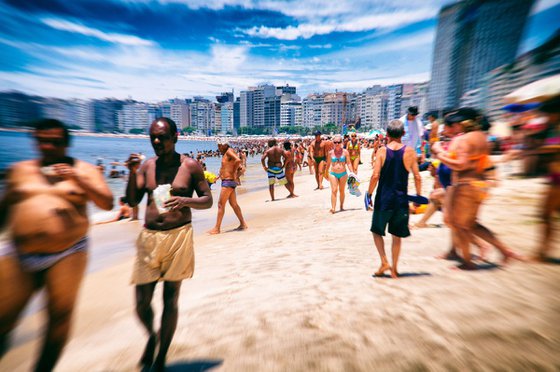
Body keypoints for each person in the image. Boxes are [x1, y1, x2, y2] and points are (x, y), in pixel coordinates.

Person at [0, 119, 113, 370]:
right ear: (36, 142)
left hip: (67, 251)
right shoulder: (20, 171)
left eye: (56, 142)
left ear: (66, 144)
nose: (49, 147)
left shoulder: (84, 171)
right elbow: (4, 211)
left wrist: (77, 179)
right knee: (3, 319)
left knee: (59, 318)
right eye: (43, 141)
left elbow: (107, 202)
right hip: (18, 251)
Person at [125, 117, 212, 371]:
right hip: (149, 237)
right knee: (141, 302)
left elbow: (207, 199)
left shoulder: (190, 166)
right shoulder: (146, 166)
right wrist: (131, 173)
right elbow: (132, 200)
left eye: (162, 137)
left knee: (170, 299)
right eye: (152, 136)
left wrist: (185, 202)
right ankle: (152, 337)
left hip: (179, 236)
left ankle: (162, 355)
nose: (156, 141)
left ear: (175, 137)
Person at [432, 109, 523, 269]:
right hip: (478, 185)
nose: (449, 129)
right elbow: (482, 161)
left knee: (460, 225)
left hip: (466, 185)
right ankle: (504, 251)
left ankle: (467, 262)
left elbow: (462, 164)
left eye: (450, 126)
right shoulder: (481, 137)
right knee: (470, 224)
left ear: (459, 125)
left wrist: (439, 153)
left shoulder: (465, 139)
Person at [366, 119, 422, 278]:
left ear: (387, 135)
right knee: (396, 236)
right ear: (403, 134)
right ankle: (395, 270)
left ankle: (384, 261)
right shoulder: (410, 152)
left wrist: (369, 194)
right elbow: (418, 177)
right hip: (401, 201)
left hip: (383, 200)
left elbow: (375, 175)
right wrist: (417, 197)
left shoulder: (382, 151)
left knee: (377, 232)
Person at [208, 140, 248, 234]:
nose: (218, 148)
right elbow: (227, 167)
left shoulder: (229, 151)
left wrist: (234, 173)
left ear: (224, 145)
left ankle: (217, 228)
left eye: (219, 146)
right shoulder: (227, 152)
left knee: (220, 204)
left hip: (228, 181)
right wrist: (219, 176)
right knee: (233, 204)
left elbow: (238, 160)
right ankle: (243, 224)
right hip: (228, 181)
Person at [326, 134, 354, 214]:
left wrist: (352, 172)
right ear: (333, 143)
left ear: (341, 142)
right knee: (334, 190)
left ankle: (341, 206)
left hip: (343, 174)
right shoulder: (330, 153)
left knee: (342, 191)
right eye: (335, 142)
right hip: (333, 173)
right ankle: (333, 208)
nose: (337, 144)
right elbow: (328, 164)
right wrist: (325, 173)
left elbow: (348, 163)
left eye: (339, 142)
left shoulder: (345, 152)